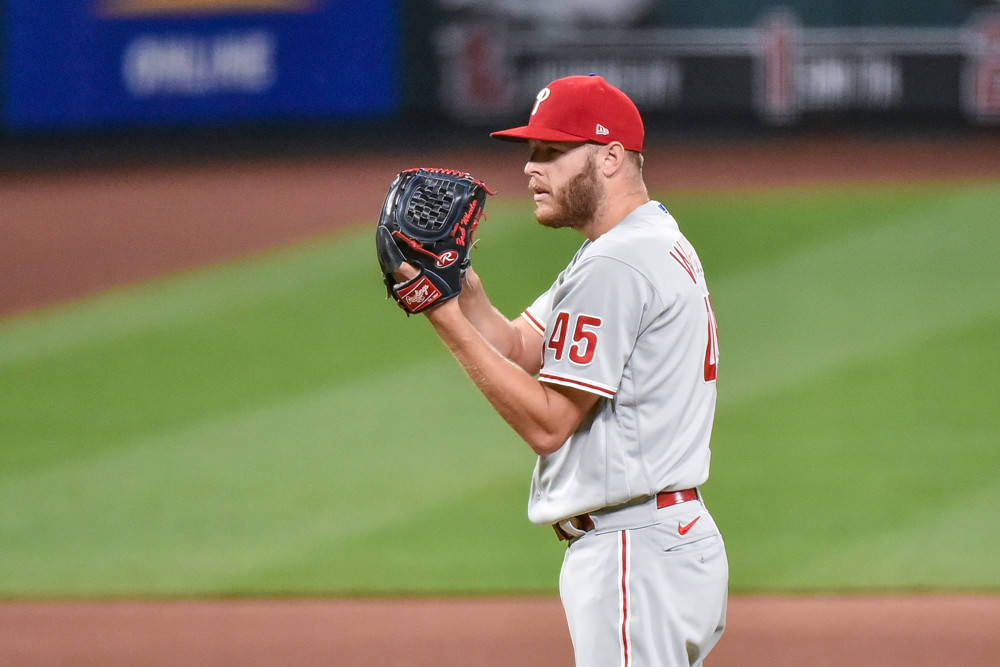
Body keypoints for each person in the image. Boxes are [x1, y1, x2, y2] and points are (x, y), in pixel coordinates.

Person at [395, 74, 728, 666]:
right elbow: (522, 344)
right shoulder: (640, 241)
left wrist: (438, 314)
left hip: (635, 549)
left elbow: (549, 425)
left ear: (610, 158)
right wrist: (461, 287)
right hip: (658, 541)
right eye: (531, 151)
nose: (530, 167)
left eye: (552, 151)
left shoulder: (619, 263)